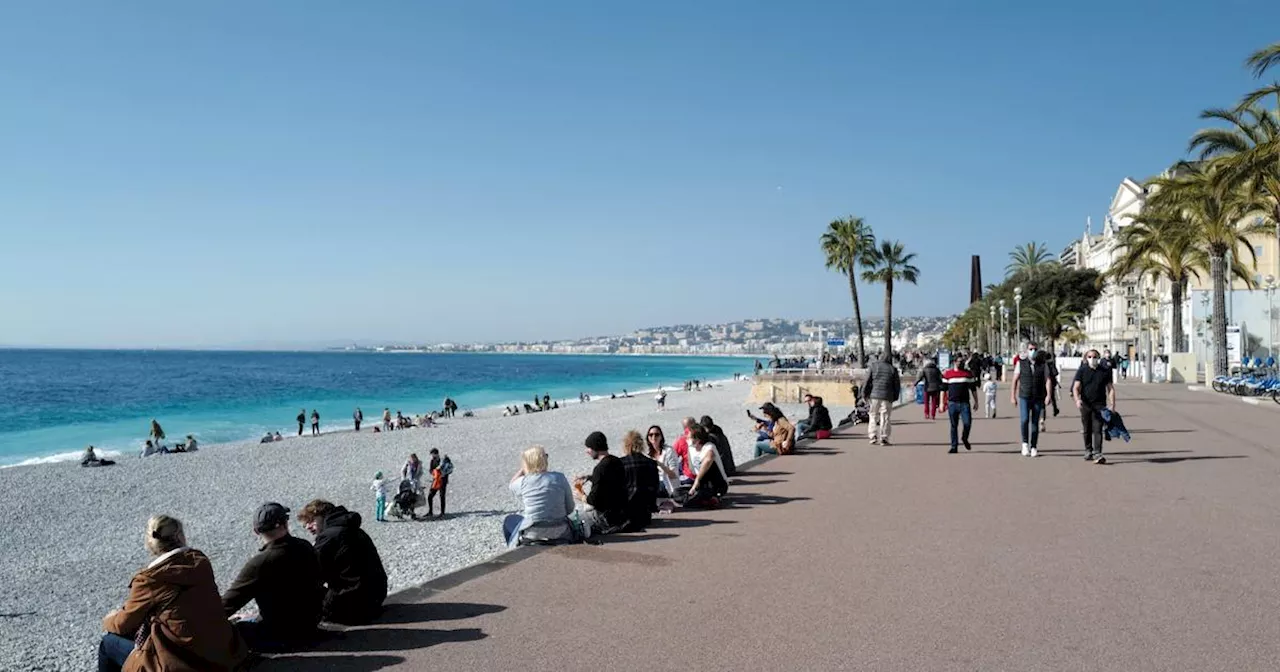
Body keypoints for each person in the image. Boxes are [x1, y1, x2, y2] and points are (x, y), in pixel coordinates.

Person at [98, 515, 247, 672]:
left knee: (108, 643)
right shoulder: (200, 562)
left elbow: (123, 624)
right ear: (180, 536)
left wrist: (109, 619)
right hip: (220, 653)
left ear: (151, 543)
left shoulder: (149, 579)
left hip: (180, 661)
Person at [221, 503, 323, 653]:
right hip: (310, 624)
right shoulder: (305, 546)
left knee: (235, 628)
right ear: (285, 524)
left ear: (256, 531)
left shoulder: (260, 563)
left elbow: (229, 603)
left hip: (280, 634)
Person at [297, 500, 388, 625]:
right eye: (306, 524)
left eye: (311, 520)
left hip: (352, 606)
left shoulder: (329, 536)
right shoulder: (353, 528)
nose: (308, 527)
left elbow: (312, 574)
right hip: (376, 596)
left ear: (323, 516)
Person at [503, 446, 577, 547]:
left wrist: (524, 468)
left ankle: (513, 551)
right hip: (561, 532)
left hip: (533, 533)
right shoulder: (559, 478)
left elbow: (511, 485)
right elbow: (570, 509)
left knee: (510, 521)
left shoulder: (523, 481)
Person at [573, 431, 628, 535]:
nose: (587, 451)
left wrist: (581, 496)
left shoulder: (600, 469)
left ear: (595, 447)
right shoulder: (616, 461)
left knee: (574, 520)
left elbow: (593, 500)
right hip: (622, 515)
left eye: (588, 448)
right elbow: (610, 482)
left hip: (606, 519)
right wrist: (590, 477)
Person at [1073, 349, 1116, 465]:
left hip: (1100, 405)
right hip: (1086, 404)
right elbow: (1076, 387)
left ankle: (1098, 453)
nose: (1092, 359)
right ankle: (1088, 450)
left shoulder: (1104, 371)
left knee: (1098, 429)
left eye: (1094, 356)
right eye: (1090, 357)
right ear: (1086, 358)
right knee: (1087, 429)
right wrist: (1077, 400)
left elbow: (1110, 388)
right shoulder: (1082, 370)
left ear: (1099, 357)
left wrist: (1112, 404)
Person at [1010, 342, 1053, 458]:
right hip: (1024, 395)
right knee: (1024, 420)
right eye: (1030, 349)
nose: (1032, 351)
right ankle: (1025, 443)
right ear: (1026, 350)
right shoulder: (1021, 363)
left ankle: (1033, 446)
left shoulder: (1042, 364)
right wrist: (1012, 396)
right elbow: (1014, 380)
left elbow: (1048, 380)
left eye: (1034, 349)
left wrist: (1048, 395)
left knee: (1035, 422)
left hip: (1038, 396)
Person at [618, 430, 660, 530]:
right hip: (645, 513)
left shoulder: (620, 463)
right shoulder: (651, 463)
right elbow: (655, 488)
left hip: (625, 513)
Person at [685, 425, 730, 508]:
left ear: (697, 439)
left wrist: (697, 481)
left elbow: (709, 458)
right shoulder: (691, 448)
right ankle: (706, 499)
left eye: (689, 436)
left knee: (708, 465)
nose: (686, 437)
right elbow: (691, 468)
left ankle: (711, 497)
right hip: (701, 484)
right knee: (677, 494)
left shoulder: (709, 446)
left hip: (717, 484)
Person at [864, 352, 902, 445]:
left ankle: (872, 435)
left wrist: (864, 394)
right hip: (887, 396)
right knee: (885, 417)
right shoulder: (893, 369)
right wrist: (895, 396)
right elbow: (897, 385)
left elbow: (867, 381)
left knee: (873, 415)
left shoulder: (873, 367)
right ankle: (884, 437)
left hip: (874, 395)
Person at [942, 358, 975, 453]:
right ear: (955, 362)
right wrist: (941, 403)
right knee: (953, 425)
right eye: (959, 361)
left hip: (964, 403)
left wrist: (976, 401)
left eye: (962, 362)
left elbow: (973, 389)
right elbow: (943, 390)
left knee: (967, 423)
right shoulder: (948, 374)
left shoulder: (968, 374)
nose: (961, 363)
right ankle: (954, 446)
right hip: (952, 403)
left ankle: (964, 438)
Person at [427, 448, 451, 517]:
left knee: (442, 496)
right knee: (430, 496)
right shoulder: (432, 461)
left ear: (436, 453)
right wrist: (434, 472)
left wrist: (441, 472)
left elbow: (448, 470)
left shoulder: (443, 460)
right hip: (436, 481)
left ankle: (442, 513)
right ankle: (430, 511)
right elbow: (430, 470)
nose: (432, 456)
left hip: (443, 481)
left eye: (432, 454)